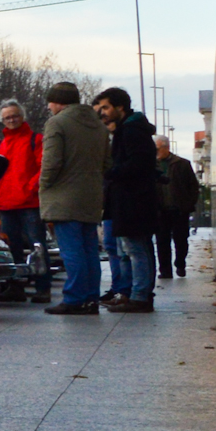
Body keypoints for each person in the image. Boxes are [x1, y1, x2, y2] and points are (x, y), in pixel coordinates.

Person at [39, 82, 110, 315]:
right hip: (91, 196)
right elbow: (106, 163)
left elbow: (51, 162)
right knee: (89, 250)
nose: (49, 107)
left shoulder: (57, 123)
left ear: (58, 102)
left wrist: (44, 185)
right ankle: (90, 298)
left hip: (64, 197)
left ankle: (75, 298)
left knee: (71, 250)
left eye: (50, 102)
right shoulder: (99, 126)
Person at [96, 87, 158, 313]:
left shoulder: (131, 130)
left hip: (134, 199)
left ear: (119, 107)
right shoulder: (130, 129)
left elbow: (139, 163)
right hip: (130, 198)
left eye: (105, 107)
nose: (102, 112)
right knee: (132, 248)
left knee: (135, 248)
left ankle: (140, 296)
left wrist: (110, 172)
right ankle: (136, 294)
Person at [0, 98, 53, 303]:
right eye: (7, 117)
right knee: (12, 248)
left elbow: (44, 167)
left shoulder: (36, 139)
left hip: (29, 202)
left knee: (37, 246)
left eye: (15, 116)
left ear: (22, 116)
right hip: (6, 203)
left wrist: (30, 188)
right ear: (2, 120)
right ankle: (16, 286)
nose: (12, 120)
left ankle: (43, 287)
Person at [92, 97, 132, 301]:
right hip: (108, 198)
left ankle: (125, 288)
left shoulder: (121, 137)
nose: (102, 116)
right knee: (111, 245)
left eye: (104, 110)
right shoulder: (104, 139)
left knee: (121, 247)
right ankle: (119, 286)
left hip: (119, 199)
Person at [154, 134, 200, 278]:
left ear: (166, 147)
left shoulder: (182, 164)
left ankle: (180, 264)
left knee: (181, 240)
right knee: (162, 242)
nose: (155, 153)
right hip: (160, 211)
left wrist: (188, 204)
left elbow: (193, 186)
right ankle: (165, 271)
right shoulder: (151, 165)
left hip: (179, 209)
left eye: (157, 149)